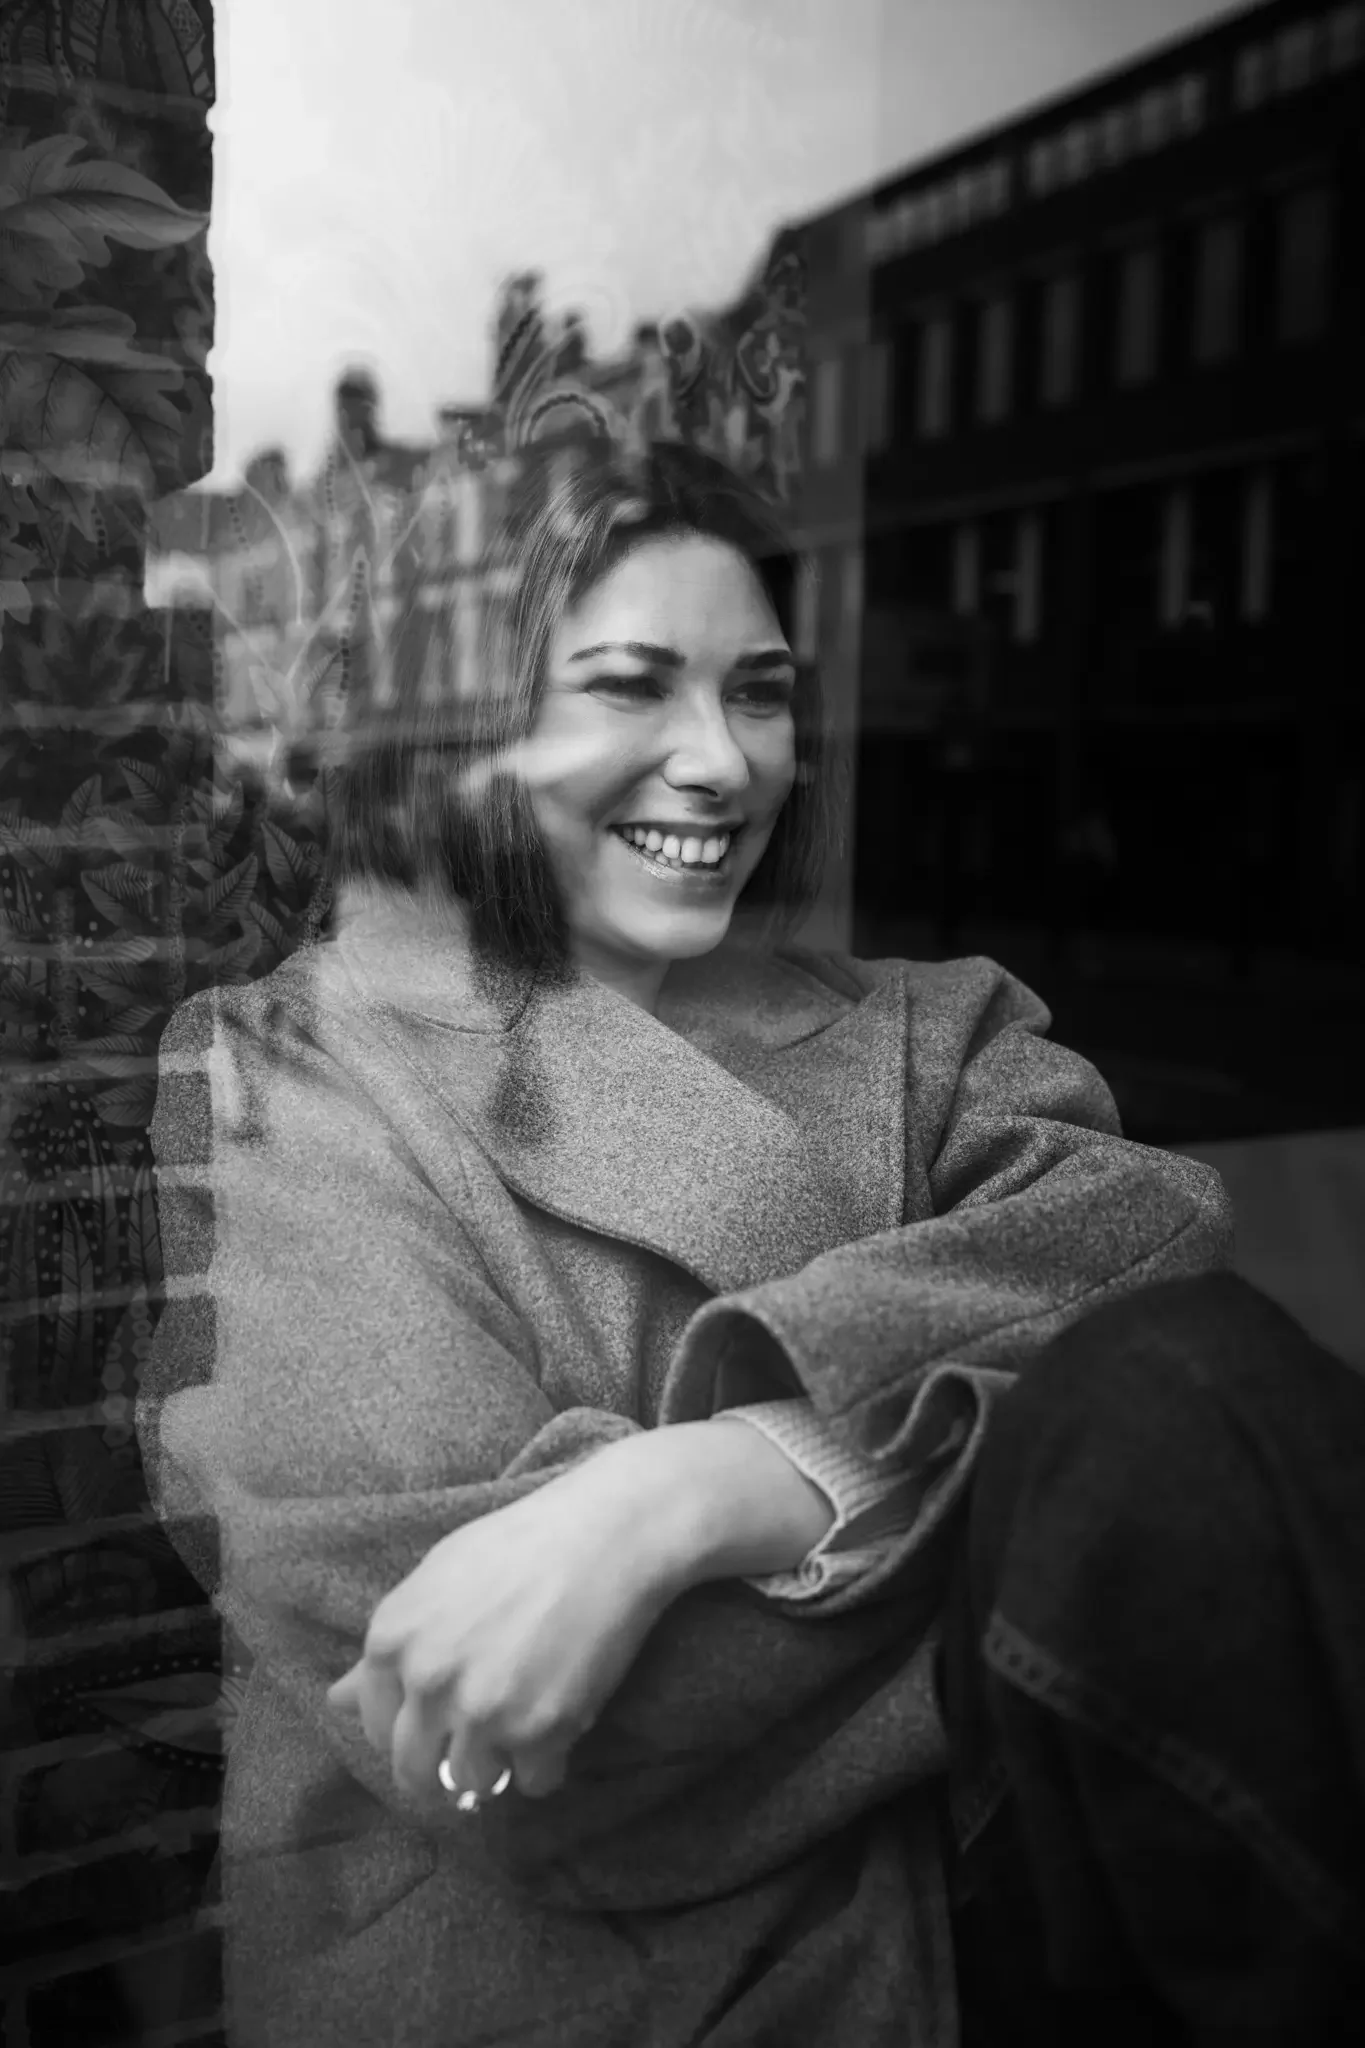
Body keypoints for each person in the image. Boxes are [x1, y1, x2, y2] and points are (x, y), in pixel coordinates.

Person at [140, 439, 1357, 2046]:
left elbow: (1153, 1247)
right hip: (627, 1981)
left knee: (1180, 1392)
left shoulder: (936, 1024)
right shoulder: (292, 1075)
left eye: (760, 692)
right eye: (632, 686)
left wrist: (719, 1485)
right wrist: (994, 1514)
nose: (720, 761)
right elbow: (509, 1752)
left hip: (1030, 1902)